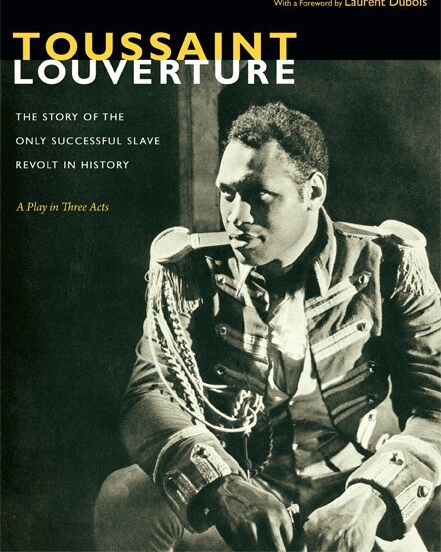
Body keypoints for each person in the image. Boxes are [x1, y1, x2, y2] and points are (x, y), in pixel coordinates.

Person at [94, 102, 441, 551]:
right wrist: (219, 483)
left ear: (313, 192)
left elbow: (435, 406)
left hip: (351, 493)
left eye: (259, 195)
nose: (236, 216)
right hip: (241, 492)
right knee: (124, 499)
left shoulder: (386, 264)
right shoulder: (191, 272)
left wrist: (373, 496)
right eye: (227, 193)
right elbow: (148, 394)